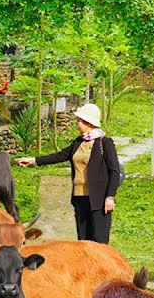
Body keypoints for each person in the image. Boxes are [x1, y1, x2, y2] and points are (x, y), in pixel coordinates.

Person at [17, 103, 121, 244]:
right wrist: (34, 160)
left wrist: (110, 197)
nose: (77, 124)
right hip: (80, 198)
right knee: (83, 241)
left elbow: (114, 171)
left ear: (88, 122)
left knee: (99, 241)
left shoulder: (105, 143)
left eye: (79, 121)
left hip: (99, 199)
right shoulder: (78, 142)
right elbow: (59, 156)